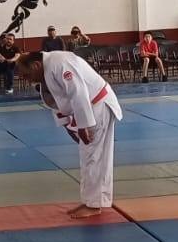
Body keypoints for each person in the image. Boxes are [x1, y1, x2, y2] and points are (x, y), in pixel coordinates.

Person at [15, 49, 120, 218]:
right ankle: (89, 201)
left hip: (98, 106)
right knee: (87, 155)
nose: (28, 80)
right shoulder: (46, 71)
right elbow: (56, 102)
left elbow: (78, 92)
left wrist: (83, 126)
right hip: (89, 108)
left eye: (27, 76)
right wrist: (67, 125)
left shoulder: (59, 62)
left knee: (94, 155)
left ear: (35, 65)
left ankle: (94, 205)